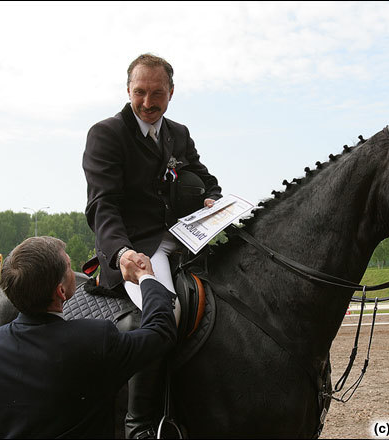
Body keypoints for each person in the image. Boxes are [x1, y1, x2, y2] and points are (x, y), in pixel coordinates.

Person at [82, 53, 222, 438]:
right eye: (140, 92)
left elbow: (203, 176)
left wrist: (213, 199)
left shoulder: (178, 132)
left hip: (186, 236)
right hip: (140, 247)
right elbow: (102, 205)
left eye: (157, 93)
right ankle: (140, 423)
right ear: (128, 90)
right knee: (165, 311)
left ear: (171, 92)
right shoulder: (106, 134)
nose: (148, 102)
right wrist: (122, 253)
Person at [0, 236, 177, 439]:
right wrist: (146, 276)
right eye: (70, 267)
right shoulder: (94, 339)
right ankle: (139, 427)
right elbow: (160, 332)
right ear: (61, 292)